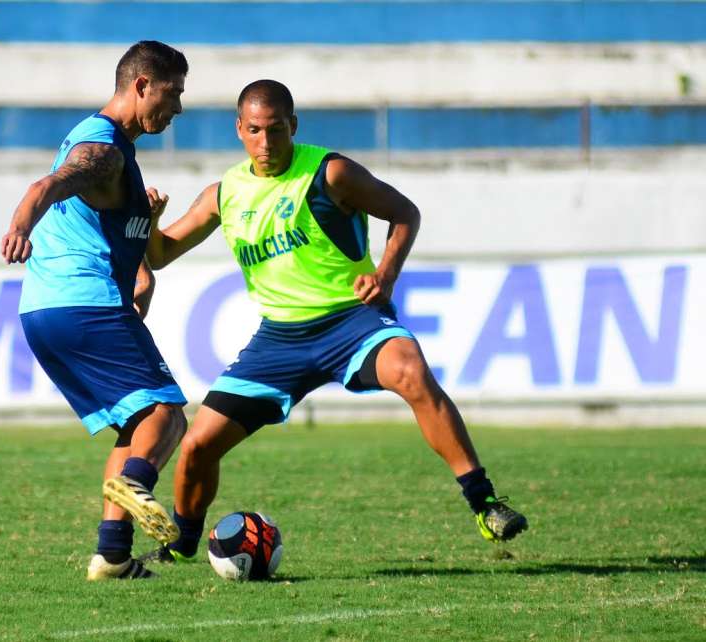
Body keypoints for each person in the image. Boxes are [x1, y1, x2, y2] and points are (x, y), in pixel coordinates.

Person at [141, 79, 528, 564]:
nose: (266, 143)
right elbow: (159, 254)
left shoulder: (331, 172)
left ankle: (484, 504)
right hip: (278, 341)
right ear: (239, 130)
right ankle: (181, 547)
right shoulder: (224, 194)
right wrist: (151, 222)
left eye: (277, 130)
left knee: (411, 372)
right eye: (255, 131)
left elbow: (404, 213)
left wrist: (385, 275)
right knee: (197, 446)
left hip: (352, 324)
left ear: (293, 126)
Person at [0, 41, 189, 580]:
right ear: (142, 86)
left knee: (133, 427)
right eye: (172, 94)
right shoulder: (102, 146)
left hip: (46, 312)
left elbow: (137, 269)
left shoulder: (120, 160)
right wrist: (19, 227)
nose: (177, 109)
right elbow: (47, 184)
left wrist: (143, 225)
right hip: (82, 303)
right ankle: (136, 485)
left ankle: (111, 555)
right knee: (164, 414)